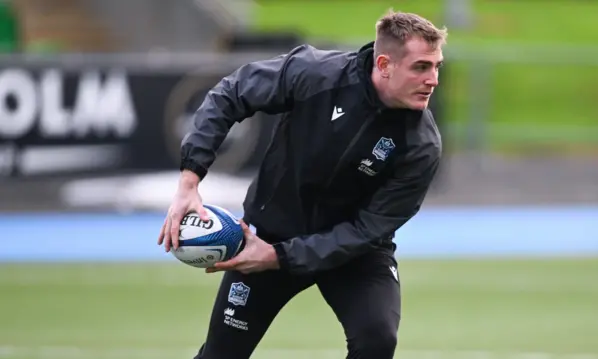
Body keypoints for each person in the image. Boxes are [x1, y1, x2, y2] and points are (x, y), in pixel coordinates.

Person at [157, 10, 446, 359]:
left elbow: (368, 229)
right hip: (266, 236)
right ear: (384, 64)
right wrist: (190, 179)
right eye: (421, 67)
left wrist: (279, 257)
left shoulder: (421, 145)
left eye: (437, 66)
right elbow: (231, 94)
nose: (433, 79)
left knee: (377, 339)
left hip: (354, 252)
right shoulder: (317, 73)